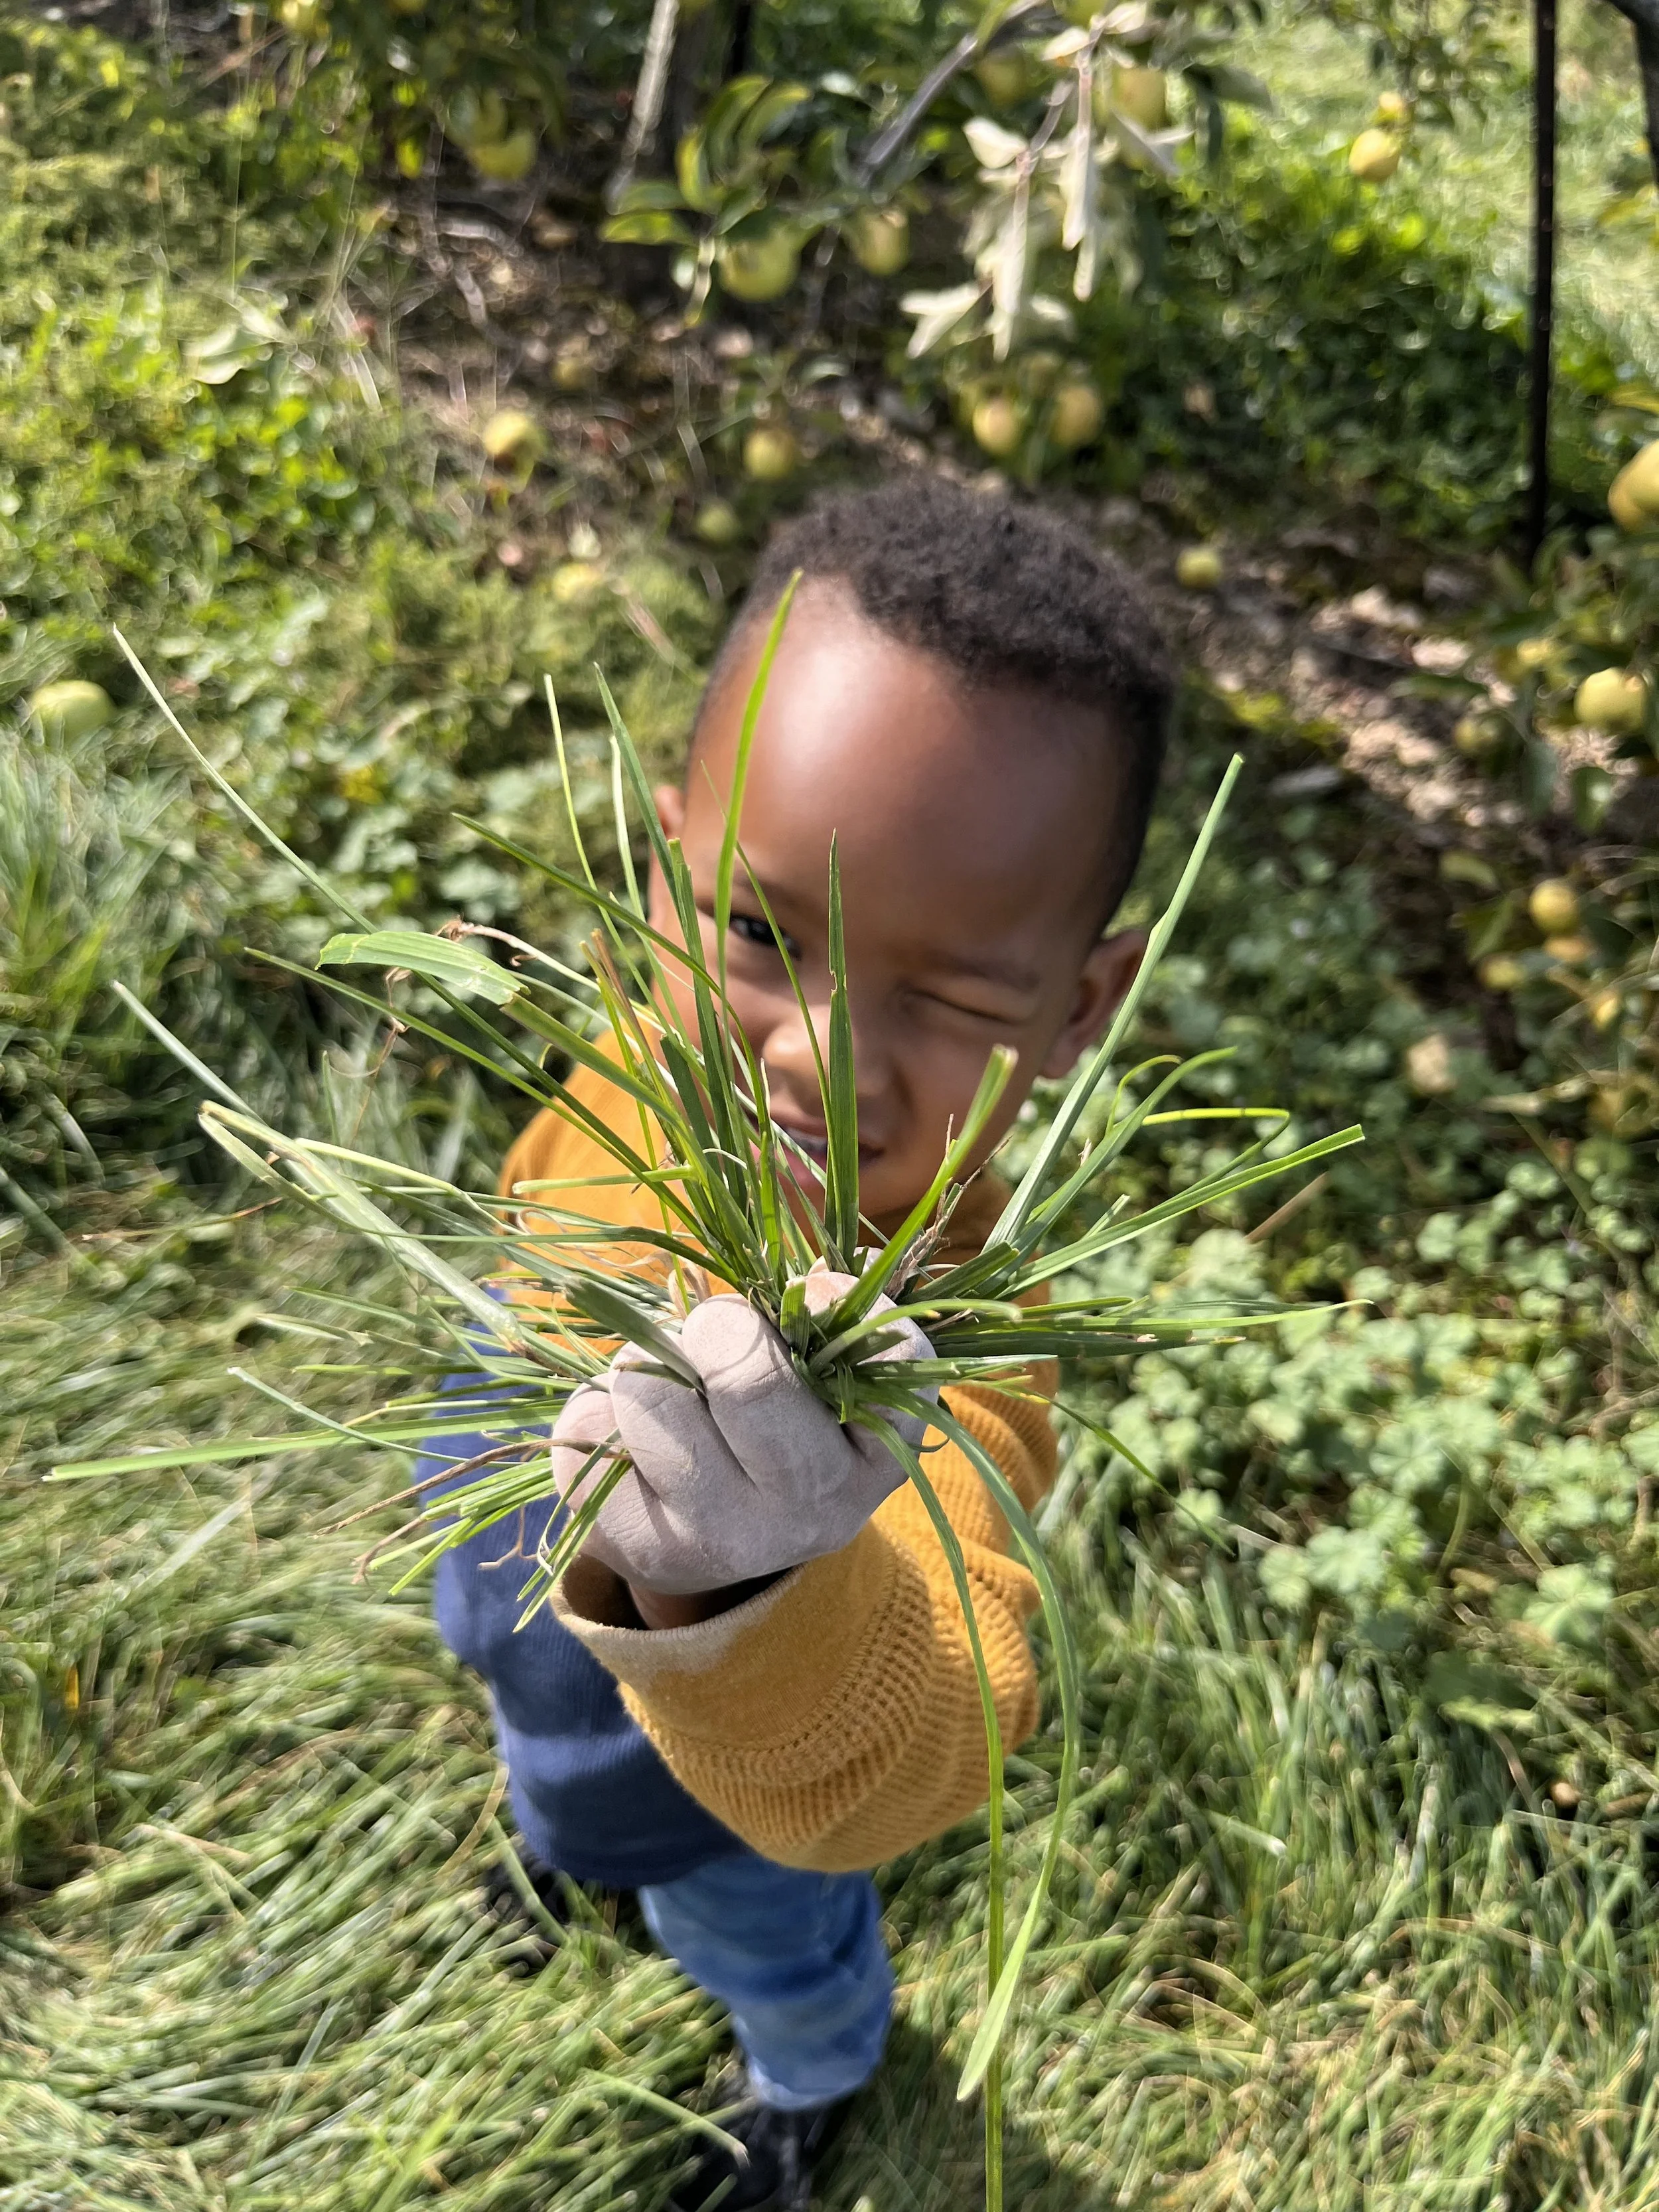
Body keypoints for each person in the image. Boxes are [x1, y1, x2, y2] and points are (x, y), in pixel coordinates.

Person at [421, 478, 1174, 2211]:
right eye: (765, 935)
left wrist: (753, 1591)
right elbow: (548, 1192)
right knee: (522, 1693)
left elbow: (921, 1730)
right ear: (664, 852)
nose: (817, 1064)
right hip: (507, 1469)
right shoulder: (646, 1040)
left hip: (725, 1795)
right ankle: (559, 1833)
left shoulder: (949, 1344)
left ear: (1078, 1007)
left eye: (953, 994)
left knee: (752, 1923)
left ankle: (806, 2078)